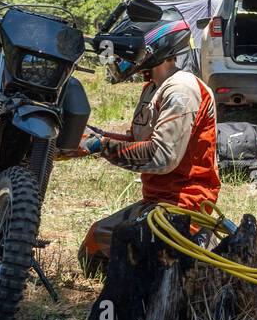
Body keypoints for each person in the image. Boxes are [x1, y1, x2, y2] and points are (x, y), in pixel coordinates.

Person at [75, 15, 220, 278]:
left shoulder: (181, 90)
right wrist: (92, 136)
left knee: (131, 252)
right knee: (93, 247)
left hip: (183, 205)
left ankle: (188, 268)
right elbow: (137, 142)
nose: (123, 58)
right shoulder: (153, 88)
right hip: (155, 201)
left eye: (131, 50)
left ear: (155, 48)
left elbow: (162, 157)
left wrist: (99, 146)